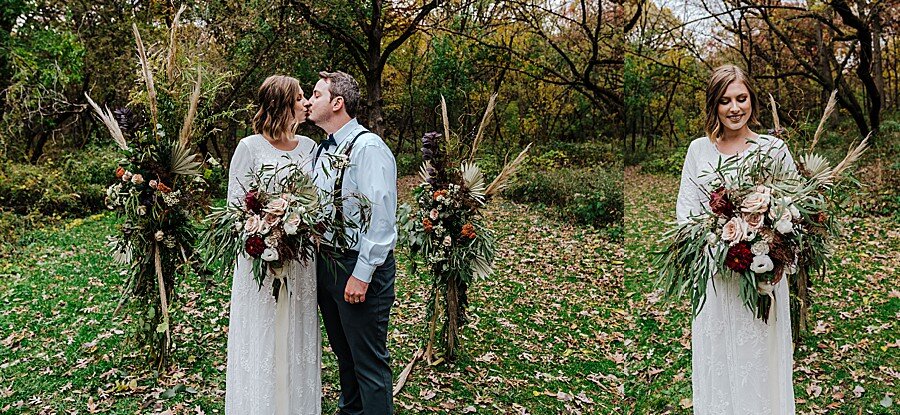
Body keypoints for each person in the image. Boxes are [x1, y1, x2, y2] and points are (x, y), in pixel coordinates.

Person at [676, 65, 796, 414]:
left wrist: (768, 242)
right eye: (725, 100)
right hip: (717, 278)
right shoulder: (699, 150)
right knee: (721, 358)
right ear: (714, 105)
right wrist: (720, 244)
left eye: (741, 98)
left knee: (759, 358)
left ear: (751, 101)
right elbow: (686, 213)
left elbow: (794, 210)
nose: (734, 108)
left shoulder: (773, 149)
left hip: (762, 280)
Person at [224, 75, 321, 414]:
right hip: (260, 260)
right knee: (262, 337)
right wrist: (264, 233)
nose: (306, 102)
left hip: (300, 262)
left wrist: (300, 225)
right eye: (299, 97)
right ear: (283, 103)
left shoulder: (310, 148)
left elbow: (318, 202)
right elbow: (235, 208)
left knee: (296, 334)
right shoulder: (249, 147)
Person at [306, 71, 397, 415]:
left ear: (337, 103)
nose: (309, 101)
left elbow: (382, 219)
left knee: (368, 362)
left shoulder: (369, 148)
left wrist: (361, 274)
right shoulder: (322, 150)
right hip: (327, 264)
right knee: (344, 355)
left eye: (316, 94)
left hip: (360, 266)